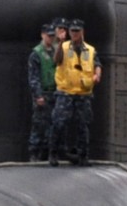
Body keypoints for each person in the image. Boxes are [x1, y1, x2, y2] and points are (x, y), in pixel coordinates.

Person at [51, 20, 101, 165]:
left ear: (82, 32)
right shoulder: (64, 47)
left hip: (83, 94)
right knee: (58, 123)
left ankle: (83, 156)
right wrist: (60, 42)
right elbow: (57, 60)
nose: (74, 34)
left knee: (82, 125)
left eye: (77, 31)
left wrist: (97, 74)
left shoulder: (90, 50)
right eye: (72, 31)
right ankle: (53, 154)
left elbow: (97, 63)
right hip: (65, 92)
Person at [26, 21, 58, 161]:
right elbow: (34, 77)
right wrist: (38, 95)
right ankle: (34, 152)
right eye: (48, 36)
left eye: (52, 36)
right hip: (43, 93)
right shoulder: (36, 54)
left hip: (54, 93)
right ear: (42, 35)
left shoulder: (56, 52)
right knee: (39, 124)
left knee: (53, 124)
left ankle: (47, 152)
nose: (50, 38)